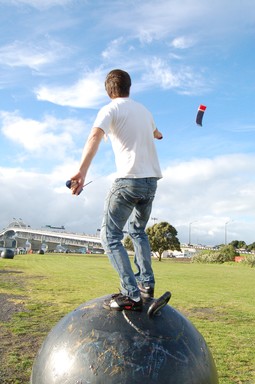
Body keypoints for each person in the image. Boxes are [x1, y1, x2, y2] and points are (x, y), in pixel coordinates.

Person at [70, 69, 163, 311]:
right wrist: (157, 134)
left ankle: (131, 294)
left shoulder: (110, 109)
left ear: (109, 90)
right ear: (129, 87)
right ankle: (146, 285)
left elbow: (94, 136)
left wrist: (81, 171)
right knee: (138, 231)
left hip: (128, 182)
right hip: (151, 182)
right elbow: (156, 133)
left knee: (109, 236)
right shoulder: (145, 111)